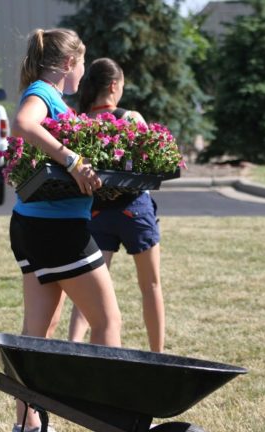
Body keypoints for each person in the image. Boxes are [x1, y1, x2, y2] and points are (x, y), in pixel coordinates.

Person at [7, 29, 122, 432]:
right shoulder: (41, 92)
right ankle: (111, 426)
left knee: (39, 331)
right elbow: (23, 124)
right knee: (107, 321)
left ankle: (26, 427)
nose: (83, 72)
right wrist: (73, 159)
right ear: (69, 64)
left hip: (32, 225)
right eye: (82, 62)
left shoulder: (50, 95)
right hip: (56, 230)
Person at [68, 58, 166, 353]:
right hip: (134, 210)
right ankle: (157, 355)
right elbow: (151, 163)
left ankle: (72, 348)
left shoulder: (81, 121)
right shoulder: (131, 117)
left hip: (96, 212)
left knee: (90, 290)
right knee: (150, 286)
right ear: (114, 85)